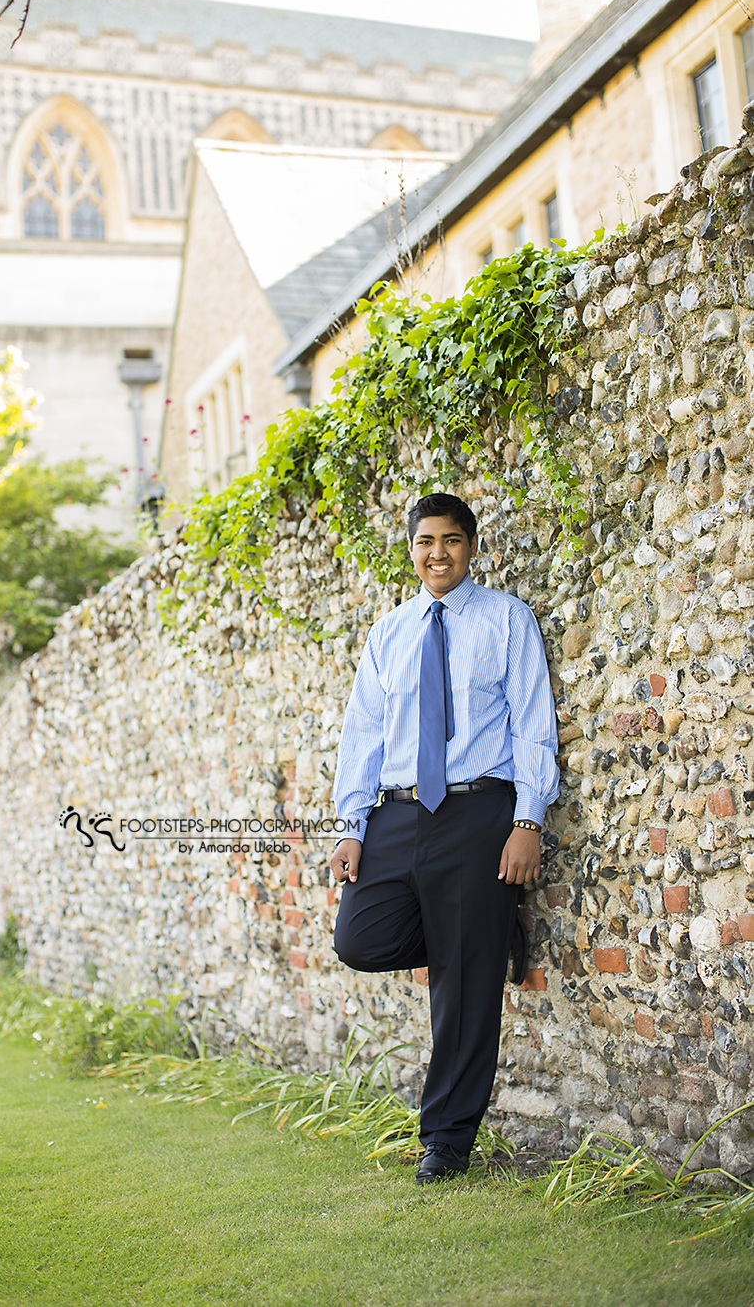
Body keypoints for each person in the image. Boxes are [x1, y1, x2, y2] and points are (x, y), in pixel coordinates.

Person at [330, 492, 559, 1184]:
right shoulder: (388, 634)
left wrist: (528, 820)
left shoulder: (507, 620)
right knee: (359, 938)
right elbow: (363, 734)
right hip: (398, 812)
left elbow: (532, 725)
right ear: (411, 549)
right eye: (427, 541)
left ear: (472, 546)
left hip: (477, 812)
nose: (439, 553)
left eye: (453, 540)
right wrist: (352, 826)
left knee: (461, 991)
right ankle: (485, 936)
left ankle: (447, 1140)